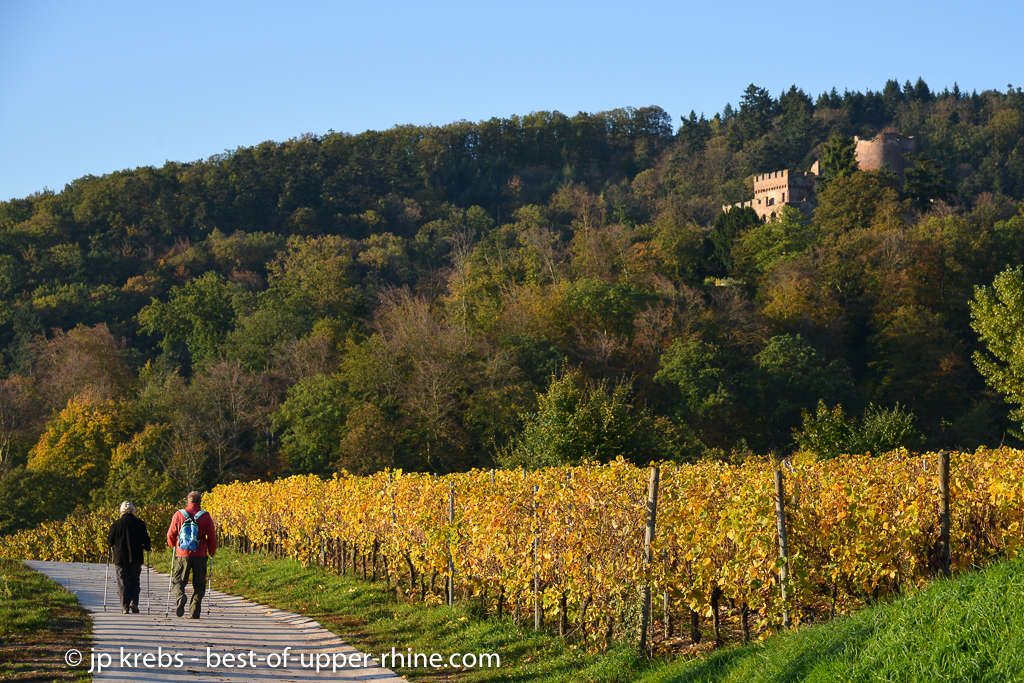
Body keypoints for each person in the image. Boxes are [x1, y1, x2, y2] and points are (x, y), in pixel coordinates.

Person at [166, 490, 217, 619]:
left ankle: (180, 597)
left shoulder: (179, 514)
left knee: (178, 580)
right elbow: (211, 536)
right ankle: (195, 610)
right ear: (200, 501)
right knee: (199, 583)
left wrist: (173, 544)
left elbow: (171, 534)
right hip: (200, 554)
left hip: (183, 554)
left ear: (188, 501)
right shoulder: (205, 516)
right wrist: (212, 551)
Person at [106, 501, 152, 614]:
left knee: (122, 582)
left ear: (121, 511)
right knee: (135, 580)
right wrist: (147, 548)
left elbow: (109, 542)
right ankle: (134, 602)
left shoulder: (116, 524)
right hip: (135, 557)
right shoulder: (140, 523)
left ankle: (124, 607)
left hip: (120, 557)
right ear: (133, 511)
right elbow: (146, 541)